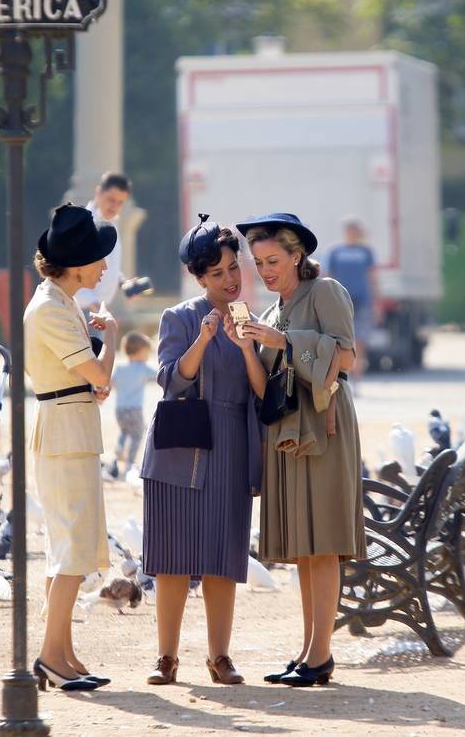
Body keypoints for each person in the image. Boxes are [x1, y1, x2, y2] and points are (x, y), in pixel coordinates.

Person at [235, 212, 366, 688]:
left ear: (297, 256)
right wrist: (249, 346)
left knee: (324, 543)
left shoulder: (325, 291)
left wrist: (285, 340)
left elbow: (347, 356)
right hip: (289, 432)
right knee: (306, 547)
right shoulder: (272, 310)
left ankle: (320, 656)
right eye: (258, 262)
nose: (265, 270)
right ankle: (311, 652)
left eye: (273, 260)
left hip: (325, 427)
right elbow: (266, 385)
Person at [141, 215, 265, 687]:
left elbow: (261, 391)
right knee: (171, 558)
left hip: (232, 444)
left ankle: (220, 658)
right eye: (218, 274)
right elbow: (171, 380)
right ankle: (165, 658)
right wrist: (205, 338)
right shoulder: (179, 317)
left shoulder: (251, 320)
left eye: (234, 268)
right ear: (199, 278)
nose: (231, 280)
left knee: (222, 558)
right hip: (179, 447)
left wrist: (246, 346)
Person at [24, 203, 118, 693]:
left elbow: (90, 381)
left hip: (69, 423)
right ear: (77, 262)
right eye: (99, 256)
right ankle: (50, 657)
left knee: (68, 549)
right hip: (64, 432)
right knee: (71, 552)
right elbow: (100, 374)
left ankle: (62, 653)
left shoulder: (60, 303)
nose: (104, 264)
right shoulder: (50, 307)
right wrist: (114, 338)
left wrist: (94, 377)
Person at [324, 215, 380, 381]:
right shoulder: (335, 251)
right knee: (340, 341)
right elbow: (327, 276)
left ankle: (357, 378)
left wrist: (377, 302)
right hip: (340, 302)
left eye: (355, 230)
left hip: (362, 301)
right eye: (350, 230)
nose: (352, 233)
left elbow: (372, 277)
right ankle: (341, 375)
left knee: (360, 341)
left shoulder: (366, 251)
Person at [75, 171, 131, 315]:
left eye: (120, 202)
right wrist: (94, 305)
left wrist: (123, 283)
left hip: (99, 309)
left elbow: (107, 265)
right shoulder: (84, 224)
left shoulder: (112, 223)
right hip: (84, 309)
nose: (114, 206)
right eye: (111, 199)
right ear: (98, 192)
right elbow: (73, 269)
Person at [111, 331, 156, 476]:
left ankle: (119, 448)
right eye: (146, 353)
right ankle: (130, 462)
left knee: (124, 431)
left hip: (120, 409)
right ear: (140, 352)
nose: (147, 356)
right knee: (137, 434)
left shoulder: (120, 368)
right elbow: (159, 376)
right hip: (134, 409)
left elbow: (112, 384)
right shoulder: (143, 368)